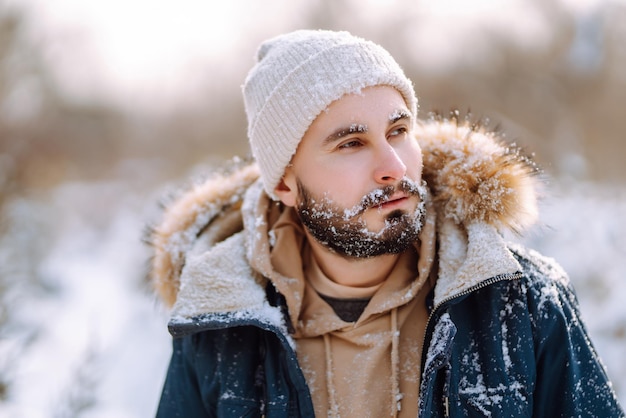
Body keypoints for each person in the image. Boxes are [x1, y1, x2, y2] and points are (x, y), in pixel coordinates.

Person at [149, 29, 624, 417]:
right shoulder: (220, 328)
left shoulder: (519, 303)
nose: (393, 167)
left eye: (398, 132)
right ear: (284, 186)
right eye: (351, 144)